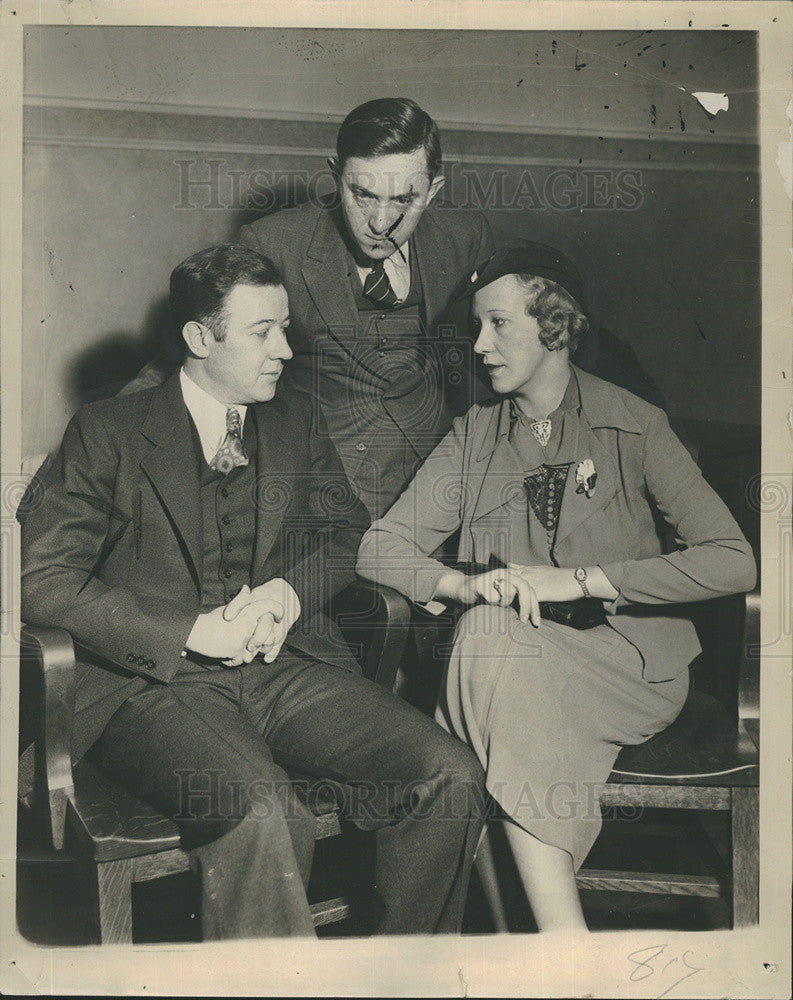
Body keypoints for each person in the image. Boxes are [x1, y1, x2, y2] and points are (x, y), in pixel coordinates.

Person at [21, 244, 485, 940]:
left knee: (448, 774)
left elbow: (342, 533)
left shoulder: (294, 421)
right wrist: (189, 631)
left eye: (286, 327)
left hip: (283, 666)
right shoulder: (109, 432)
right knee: (264, 811)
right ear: (199, 339)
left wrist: (285, 596)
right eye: (261, 331)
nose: (286, 350)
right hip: (151, 686)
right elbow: (41, 580)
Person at [356, 241, 757, 932]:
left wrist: (583, 579)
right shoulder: (472, 436)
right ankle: (561, 944)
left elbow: (733, 560)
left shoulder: (634, 424)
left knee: (478, 692)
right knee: (486, 635)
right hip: (508, 663)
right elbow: (377, 547)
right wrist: (459, 584)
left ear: (553, 326)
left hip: (626, 661)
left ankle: (538, 942)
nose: (478, 345)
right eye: (476, 326)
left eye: (498, 324)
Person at [127, 97, 493, 517]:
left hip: (445, 480)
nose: (380, 222)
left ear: (433, 191)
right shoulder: (277, 243)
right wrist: (100, 441)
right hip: (328, 489)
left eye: (402, 201)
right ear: (337, 178)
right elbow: (191, 356)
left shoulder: (465, 235)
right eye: (363, 195)